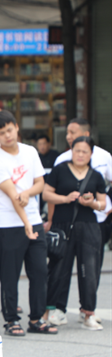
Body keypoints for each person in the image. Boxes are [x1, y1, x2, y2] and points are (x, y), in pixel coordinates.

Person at [0, 110, 55, 337]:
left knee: (39, 271)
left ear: (16, 127)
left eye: (9, 130)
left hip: (33, 220)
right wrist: (25, 220)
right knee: (10, 274)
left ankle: (36, 318)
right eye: (1, 133)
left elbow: (40, 183)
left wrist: (27, 195)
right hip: (9, 223)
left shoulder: (29, 151)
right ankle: (11, 321)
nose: (7, 135)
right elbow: (12, 195)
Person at [43, 136, 107, 330]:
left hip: (88, 226)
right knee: (59, 268)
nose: (80, 154)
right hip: (63, 225)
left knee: (89, 270)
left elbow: (103, 204)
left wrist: (92, 203)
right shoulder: (60, 170)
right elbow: (46, 194)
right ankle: (55, 309)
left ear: (91, 154)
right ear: (71, 150)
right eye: (77, 150)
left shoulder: (96, 176)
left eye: (85, 151)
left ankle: (88, 312)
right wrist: (65, 198)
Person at [50, 118, 112, 276]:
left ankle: (89, 300)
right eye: (67, 133)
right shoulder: (62, 159)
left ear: (86, 134)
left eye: (72, 132)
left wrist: (108, 207)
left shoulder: (104, 156)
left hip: (99, 219)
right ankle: (58, 301)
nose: (68, 136)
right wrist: (51, 220)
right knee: (62, 266)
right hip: (67, 220)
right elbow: (50, 192)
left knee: (92, 268)